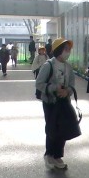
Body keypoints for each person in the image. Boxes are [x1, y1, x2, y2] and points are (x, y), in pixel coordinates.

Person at [36, 37, 76, 170]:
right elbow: (39, 84)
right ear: (59, 50)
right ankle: (49, 155)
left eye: (69, 49)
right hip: (50, 102)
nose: (68, 52)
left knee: (63, 128)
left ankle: (58, 156)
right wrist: (54, 88)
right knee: (52, 128)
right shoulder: (48, 65)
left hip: (64, 102)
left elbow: (72, 85)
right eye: (66, 49)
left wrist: (67, 91)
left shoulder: (68, 67)